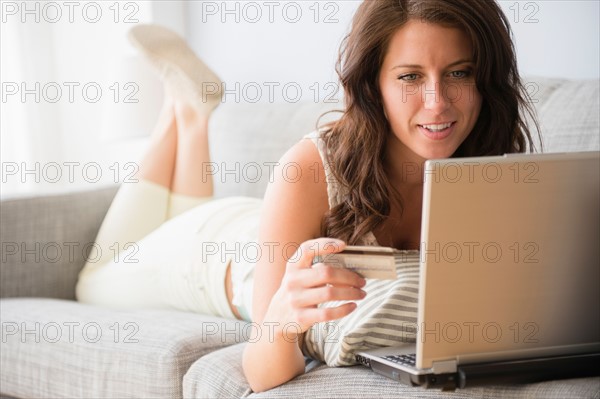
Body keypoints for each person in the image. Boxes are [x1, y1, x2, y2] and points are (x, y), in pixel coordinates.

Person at [76, 0, 539, 393]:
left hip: (257, 221)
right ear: (373, 85)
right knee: (94, 281)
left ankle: (191, 109)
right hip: (206, 256)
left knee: (189, 211)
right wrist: (282, 319)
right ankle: (186, 114)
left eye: (458, 72)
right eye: (410, 77)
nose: (437, 102)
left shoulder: (494, 172)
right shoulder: (309, 167)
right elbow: (261, 372)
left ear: (485, 81)